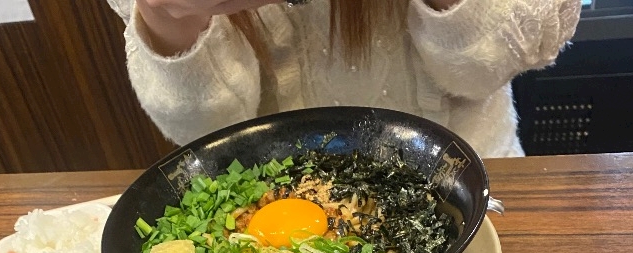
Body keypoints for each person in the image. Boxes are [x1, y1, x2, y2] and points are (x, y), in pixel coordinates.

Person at [105, 0, 581, 158]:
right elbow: (205, 132)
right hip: (273, 212)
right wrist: (166, 15)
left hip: (472, 178)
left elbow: (492, 62)